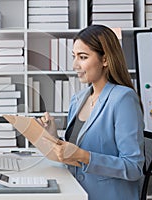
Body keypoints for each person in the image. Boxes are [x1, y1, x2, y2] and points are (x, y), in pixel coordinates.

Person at [37, 24, 145, 200]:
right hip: (75, 190)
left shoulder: (123, 99)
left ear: (105, 59)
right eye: (74, 57)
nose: (75, 65)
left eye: (83, 57)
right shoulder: (78, 99)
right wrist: (53, 138)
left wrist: (84, 156)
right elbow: (75, 152)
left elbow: (133, 167)